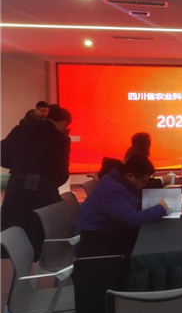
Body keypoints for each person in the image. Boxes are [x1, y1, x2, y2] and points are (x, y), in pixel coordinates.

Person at [1, 105, 72, 259]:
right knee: (39, 231)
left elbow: (2, 156)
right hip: (45, 192)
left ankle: (9, 259)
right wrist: (49, 184)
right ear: (62, 122)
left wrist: (19, 167)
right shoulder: (61, 139)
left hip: (17, 187)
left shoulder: (21, 130)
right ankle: (36, 262)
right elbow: (62, 173)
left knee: (12, 227)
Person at [75, 155, 168, 250]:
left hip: (105, 233)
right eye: (143, 182)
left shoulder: (117, 181)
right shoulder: (112, 188)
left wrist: (151, 203)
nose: (143, 185)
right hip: (95, 243)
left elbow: (127, 204)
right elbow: (132, 219)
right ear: (130, 176)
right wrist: (160, 209)